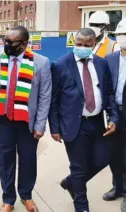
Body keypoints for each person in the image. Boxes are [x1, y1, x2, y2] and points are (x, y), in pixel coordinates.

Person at [0, 25, 52, 212]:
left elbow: (45, 96)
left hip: (28, 122)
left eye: (11, 42)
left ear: (24, 44)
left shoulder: (41, 62)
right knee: (5, 160)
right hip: (3, 120)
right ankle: (8, 198)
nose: (7, 44)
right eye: (5, 40)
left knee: (28, 160)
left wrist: (41, 125)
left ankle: (26, 195)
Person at [48, 28, 118, 212]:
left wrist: (114, 118)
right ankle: (81, 206)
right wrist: (54, 128)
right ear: (74, 42)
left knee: (104, 158)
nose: (83, 47)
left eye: (87, 45)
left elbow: (109, 93)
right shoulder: (61, 65)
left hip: (97, 122)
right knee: (78, 167)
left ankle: (72, 183)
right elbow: (53, 100)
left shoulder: (102, 64)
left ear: (94, 44)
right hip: (73, 124)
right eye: (79, 44)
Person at [103, 18, 126, 212]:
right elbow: (107, 88)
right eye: (121, 34)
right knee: (114, 154)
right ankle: (117, 187)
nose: (123, 38)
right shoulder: (110, 58)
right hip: (114, 113)